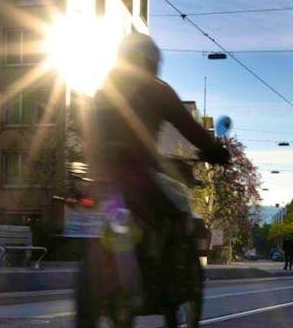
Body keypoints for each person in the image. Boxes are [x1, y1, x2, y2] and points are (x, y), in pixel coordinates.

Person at [92, 32, 230, 236]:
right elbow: (187, 125)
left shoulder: (103, 91)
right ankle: (175, 265)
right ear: (151, 60)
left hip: (103, 174)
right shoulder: (157, 90)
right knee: (180, 206)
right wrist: (214, 149)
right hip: (140, 171)